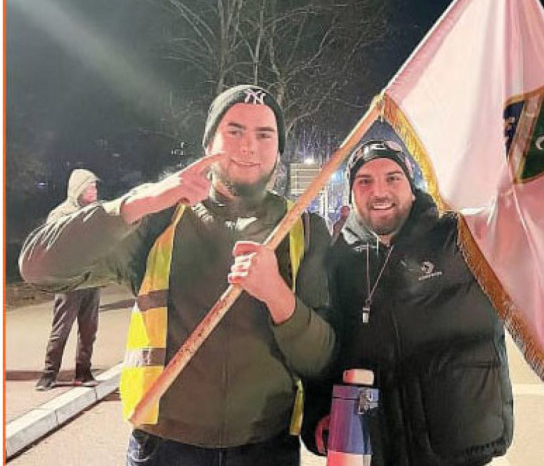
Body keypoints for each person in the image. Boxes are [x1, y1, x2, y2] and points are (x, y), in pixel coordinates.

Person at [20, 85, 335, 466]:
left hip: (266, 449)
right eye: (233, 131)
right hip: (164, 448)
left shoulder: (304, 229)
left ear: (279, 150)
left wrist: (277, 295)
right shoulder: (160, 217)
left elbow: (320, 359)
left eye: (264, 134)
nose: (248, 146)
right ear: (209, 144)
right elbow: (38, 267)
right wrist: (143, 200)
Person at [302, 140, 513, 466]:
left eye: (392, 178)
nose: (379, 191)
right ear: (352, 193)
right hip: (378, 446)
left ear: (412, 187)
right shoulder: (339, 260)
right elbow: (326, 343)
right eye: (365, 181)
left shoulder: (459, 235)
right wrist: (319, 412)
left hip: (458, 444)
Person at [35, 169, 102, 391]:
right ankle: (48, 373)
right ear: (79, 189)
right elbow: (49, 245)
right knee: (61, 328)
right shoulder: (61, 214)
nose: (94, 190)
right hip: (69, 281)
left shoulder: (96, 212)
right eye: (90, 186)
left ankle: (83, 373)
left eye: (95, 186)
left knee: (89, 329)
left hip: (91, 279)